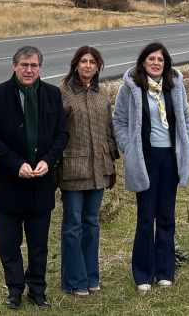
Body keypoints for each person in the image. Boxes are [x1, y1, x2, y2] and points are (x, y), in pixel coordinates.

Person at [0, 46, 68, 310]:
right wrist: (15, 164)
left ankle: (37, 290)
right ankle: (15, 290)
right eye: (24, 65)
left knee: (38, 244)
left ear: (40, 68)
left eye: (34, 65)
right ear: (14, 66)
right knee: (9, 244)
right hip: (8, 184)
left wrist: (48, 161)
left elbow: (61, 135)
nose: (29, 70)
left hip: (41, 183)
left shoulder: (52, 95)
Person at [112, 42, 189, 293]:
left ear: (166, 63)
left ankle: (165, 271)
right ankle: (143, 274)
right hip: (145, 159)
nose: (156, 63)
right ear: (143, 62)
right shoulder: (131, 88)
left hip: (170, 158)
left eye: (160, 59)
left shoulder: (175, 86)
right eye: (151, 59)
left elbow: (186, 116)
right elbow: (119, 120)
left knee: (167, 216)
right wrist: (128, 147)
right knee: (146, 217)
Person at [58, 46, 117, 297]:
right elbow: (56, 131)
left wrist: (111, 162)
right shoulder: (63, 93)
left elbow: (109, 130)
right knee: (73, 225)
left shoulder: (101, 94)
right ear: (75, 64)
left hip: (99, 169)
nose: (88, 65)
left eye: (93, 62)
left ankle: (91, 277)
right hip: (73, 168)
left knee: (92, 224)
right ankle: (74, 281)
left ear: (98, 66)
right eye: (83, 61)